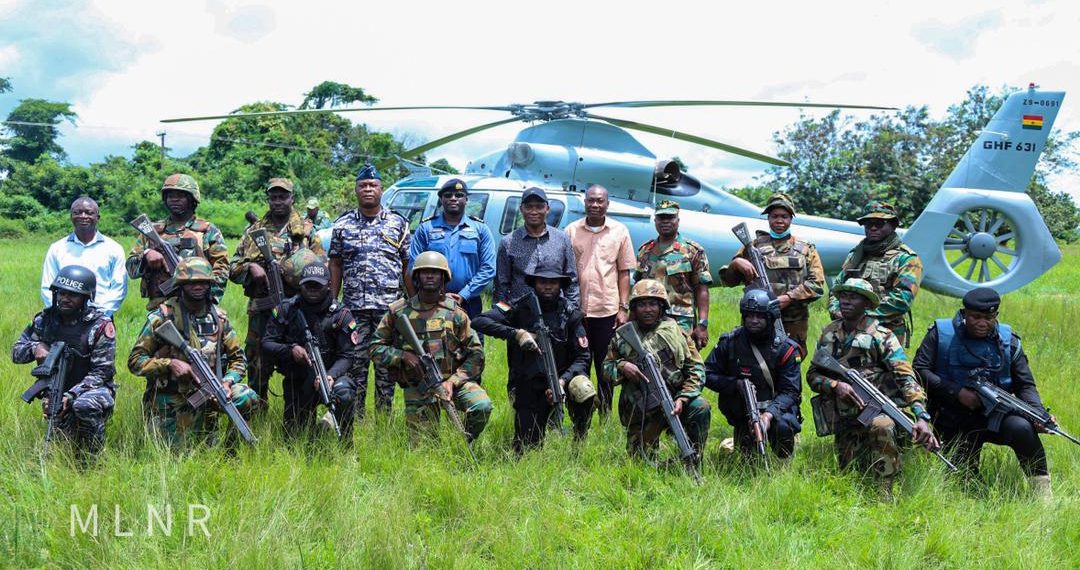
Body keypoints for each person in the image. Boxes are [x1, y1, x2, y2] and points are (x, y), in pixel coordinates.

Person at [914, 287, 1053, 498]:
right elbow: (919, 369)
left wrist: (1037, 413)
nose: (982, 323)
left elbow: (1024, 384)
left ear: (995, 316)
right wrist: (957, 392)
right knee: (964, 483)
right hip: (952, 417)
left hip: (994, 416)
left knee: (1023, 429)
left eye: (988, 318)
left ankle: (1042, 495)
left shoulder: (1009, 341)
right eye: (976, 317)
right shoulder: (940, 334)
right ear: (964, 313)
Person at [806, 278, 936, 499]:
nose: (846, 302)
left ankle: (885, 490)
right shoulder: (829, 333)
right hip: (844, 414)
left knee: (883, 425)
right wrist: (835, 385)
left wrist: (920, 415)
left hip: (877, 410)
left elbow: (906, 377)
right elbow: (813, 376)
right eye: (843, 296)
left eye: (853, 297)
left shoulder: (882, 336)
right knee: (848, 473)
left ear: (866, 304)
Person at [129, 258, 260, 446]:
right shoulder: (163, 317)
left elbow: (238, 360)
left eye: (202, 282)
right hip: (172, 398)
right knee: (176, 456)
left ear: (209, 284)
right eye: (191, 282)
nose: (197, 286)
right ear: (180, 284)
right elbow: (135, 361)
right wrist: (169, 364)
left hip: (211, 394)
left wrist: (226, 382)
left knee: (247, 397)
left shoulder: (219, 318)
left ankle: (231, 449)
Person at [369, 252, 492, 440]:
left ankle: (464, 441)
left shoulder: (455, 313)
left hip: (454, 384)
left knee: (481, 406)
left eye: (435, 272)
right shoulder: (398, 312)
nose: (429, 276)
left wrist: (453, 381)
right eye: (424, 272)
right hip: (419, 386)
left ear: (443, 277)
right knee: (424, 447)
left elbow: (476, 353)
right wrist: (402, 356)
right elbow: (375, 347)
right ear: (417, 276)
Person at [473, 265, 596, 452]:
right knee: (527, 448)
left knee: (583, 389)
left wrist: (562, 382)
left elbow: (583, 357)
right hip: (530, 383)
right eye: (543, 282)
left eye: (553, 282)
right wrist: (517, 333)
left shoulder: (571, 314)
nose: (548, 286)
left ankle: (579, 440)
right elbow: (479, 321)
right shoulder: (518, 306)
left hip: (563, 379)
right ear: (534, 284)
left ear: (561, 285)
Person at [230, 177, 325, 404]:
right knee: (256, 366)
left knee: (298, 365)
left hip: (296, 312)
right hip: (261, 312)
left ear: (292, 198)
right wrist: (250, 267)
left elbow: (321, 271)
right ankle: (255, 415)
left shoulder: (307, 231)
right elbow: (232, 268)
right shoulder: (254, 230)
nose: (278, 201)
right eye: (273, 197)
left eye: (283, 196)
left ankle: (296, 419)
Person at [329, 165, 411, 417]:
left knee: (386, 369)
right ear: (356, 189)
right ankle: (357, 420)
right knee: (356, 366)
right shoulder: (342, 225)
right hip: (354, 310)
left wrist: (414, 302)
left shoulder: (398, 224)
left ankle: (384, 421)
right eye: (363, 185)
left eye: (372, 185)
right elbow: (335, 264)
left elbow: (407, 264)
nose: (367, 189)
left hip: (390, 310)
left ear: (381, 189)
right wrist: (333, 302)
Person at [12, 265, 115, 459]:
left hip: (92, 389)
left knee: (84, 406)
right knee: (58, 446)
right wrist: (36, 348)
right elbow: (16, 353)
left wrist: (72, 395)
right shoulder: (44, 321)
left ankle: (94, 459)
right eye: (61, 293)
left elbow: (103, 372)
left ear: (86, 298)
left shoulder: (99, 326)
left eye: (73, 295)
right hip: (56, 387)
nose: (64, 298)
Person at [603, 279, 711, 463]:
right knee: (640, 463)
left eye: (653, 304)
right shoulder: (623, 336)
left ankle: (692, 459)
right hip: (640, 407)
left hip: (675, 402)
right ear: (634, 308)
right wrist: (622, 366)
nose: (647, 310)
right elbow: (606, 368)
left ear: (662, 307)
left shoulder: (677, 332)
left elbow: (696, 369)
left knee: (700, 407)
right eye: (642, 305)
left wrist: (683, 398)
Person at [262, 261, 359, 440]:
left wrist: (331, 375)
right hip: (298, 379)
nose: (312, 290)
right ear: (300, 285)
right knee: (294, 439)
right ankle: (316, 427)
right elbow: (267, 343)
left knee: (344, 393)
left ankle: (345, 442)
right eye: (308, 285)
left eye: (318, 286)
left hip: (329, 377)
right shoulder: (287, 309)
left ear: (329, 286)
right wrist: (291, 350)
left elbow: (348, 355)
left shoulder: (341, 314)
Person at [719, 192, 825, 355]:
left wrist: (788, 298)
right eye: (775, 216)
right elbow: (730, 281)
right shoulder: (752, 247)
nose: (779, 221)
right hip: (755, 323)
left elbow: (817, 285)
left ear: (791, 218)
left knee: (789, 368)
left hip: (792, 324)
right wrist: (736, 263)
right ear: (768, 218)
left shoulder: (806, 250)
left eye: (784, 216)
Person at [704, 289, 803, 462]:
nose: (753, 321)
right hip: (742, 411)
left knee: (782, 427)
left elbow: (791, 392)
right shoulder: (730, 342)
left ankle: (784, 459)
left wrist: (768, 415)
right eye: (749, 316)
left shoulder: (786, 349)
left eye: (759, 316)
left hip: (776, 410)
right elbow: (707, 373)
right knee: (747, 460)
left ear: (770, 317)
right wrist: (735, 384)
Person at [565, 184, 637, 416]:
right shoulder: (571, 231)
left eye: (600, 201)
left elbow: (625, 271)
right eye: (591, 200)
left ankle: (604, 414)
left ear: (607, 203)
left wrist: (623, 307)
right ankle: (581, 412)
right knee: (579, 363)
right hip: (577, 311)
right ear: (584, 202)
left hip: (607, 311)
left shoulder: (619, 231)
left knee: (605, 364)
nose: (595, 205)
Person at [126, 173, 229, 310]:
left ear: (192, 199)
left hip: (198, 305)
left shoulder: (207, 230)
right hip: (160, 308)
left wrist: (210, 298)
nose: (174, 200)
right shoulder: (151, 232)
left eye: (180, 196)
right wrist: (146, 255)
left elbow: (221, 267)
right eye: (170, 196)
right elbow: (131, 268)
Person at [828, 201, 922, 347]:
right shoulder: (856, 255)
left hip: (885, 334)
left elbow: (903, 298)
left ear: (893, 225)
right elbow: (837, 289)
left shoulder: (906, 259)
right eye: (868, 224)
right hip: (849, 330)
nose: (872, 228)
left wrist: (862, 317)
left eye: (879, 223)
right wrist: (838, 312)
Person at [409, 178, 496, 323]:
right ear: (441, 200)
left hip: (469, 303)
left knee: (471, 344)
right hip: (432, 301)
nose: (453, 199)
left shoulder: (480, 229)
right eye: (448, 195)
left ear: (466, 199)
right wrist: (433, 294)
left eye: (459, 195)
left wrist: (464, 294)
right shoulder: (426, 228)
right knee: (434, 344)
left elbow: (488, 268)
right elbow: (414, 265)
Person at [632, 200, 711, 350]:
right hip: (648, 318)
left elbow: (702, 289)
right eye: (662, 218)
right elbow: (637, 289)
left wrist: (702, 324)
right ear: (655, 221)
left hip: (680, 320)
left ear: (678, 220)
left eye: (670, 217)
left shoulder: (692, 251)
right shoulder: (645, 251)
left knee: (681, 362)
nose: (666, 221)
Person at [494, 187, 579, 308]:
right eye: (528, 207)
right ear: (521, 209)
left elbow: (572, 280)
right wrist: (503, 314)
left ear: (547, 209)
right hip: (520, 313)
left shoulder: (562, 239)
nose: (534, 212)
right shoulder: (508, 242)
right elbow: (501, 285)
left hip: (555, 312)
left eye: (539, 207)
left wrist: (571, 310)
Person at [41, 197, 127, 317]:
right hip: (62, 318)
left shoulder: (114, 249)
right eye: (77, 212)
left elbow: (119, 287)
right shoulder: (57, 248)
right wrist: (59, 313)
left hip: (101, 318)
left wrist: (100, 315)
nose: (83, 216)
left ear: (98, 217)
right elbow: (47, 286)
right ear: (71, 217)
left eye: (89, 212)